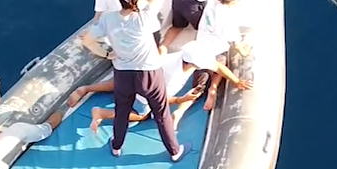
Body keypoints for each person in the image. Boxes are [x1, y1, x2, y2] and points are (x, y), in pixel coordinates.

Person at [78, 0, 190, 162]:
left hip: (123, 74)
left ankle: (117, 147)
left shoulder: (109, 19)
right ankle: (174, 151)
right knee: (161, 114)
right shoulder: (146, 17)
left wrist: (108, 53)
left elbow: (87, 39)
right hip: (149, 74)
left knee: (121, 113)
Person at [70, 41, 250, 132]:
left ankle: (86, 88)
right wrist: (182, 100)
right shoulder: (172, 75)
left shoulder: (179, 57)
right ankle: (102, 113)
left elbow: (217, 66)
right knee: (141, 115)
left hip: (134, 75)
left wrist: (235, 80)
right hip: (145, 89)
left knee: (120, 84)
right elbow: (160, 99)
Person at [192, 0, 255, 110]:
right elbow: (236, 43)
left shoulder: (212, 1)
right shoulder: (228, 18)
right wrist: (244, 51)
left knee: (198, 84)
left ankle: (182, 109)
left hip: (200, 46)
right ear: (232, 1)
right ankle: (213, 88)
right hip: (215, 52)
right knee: (221, 66)